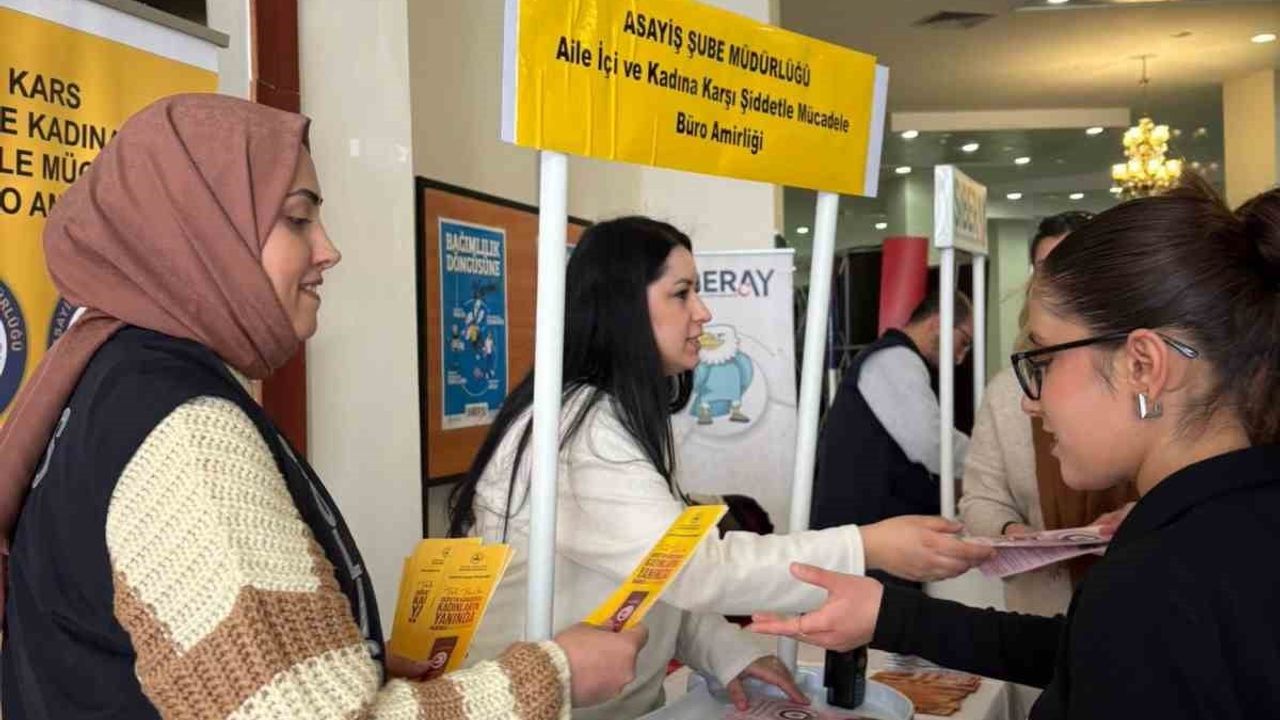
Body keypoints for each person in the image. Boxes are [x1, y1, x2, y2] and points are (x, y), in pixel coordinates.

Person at [0, 94, 645, 719]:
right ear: (199, 229)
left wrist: (337, 665)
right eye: (297, 218)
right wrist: (555, 676)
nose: (328, 249)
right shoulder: (183, 428)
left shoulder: (109, 384)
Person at [751, 178, 1280, 719]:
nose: (1032, 403)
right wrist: (892, 616)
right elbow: (1082, 651)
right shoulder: (1213, 541)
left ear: (1143, 364)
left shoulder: (1158, 580)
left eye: (1045, 360)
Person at [447, 217, 993, 719]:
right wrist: (867, 546)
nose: (703, 312)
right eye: (681, 293)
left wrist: (726, 653)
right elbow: (692, 569)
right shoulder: (581, 431)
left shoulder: (614, 415)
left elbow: (649, 578)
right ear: (623, 307)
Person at [959, 210, 1136, 616]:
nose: (1059, 286)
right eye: (1045, 270)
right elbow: (982, 498)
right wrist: (1017, 537)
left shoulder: (1143, 384)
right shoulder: (1008, 391)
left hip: (1139, 604)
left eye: (1075, 267)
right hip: (1041, 609)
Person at [810, 289, 975, 586]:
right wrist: (988, 462)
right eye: (963, 342)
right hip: (867, 544)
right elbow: (931, 443)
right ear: (938, 323)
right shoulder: (894, 360)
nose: (961, 358)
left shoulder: (895, 360)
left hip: (869, 539)